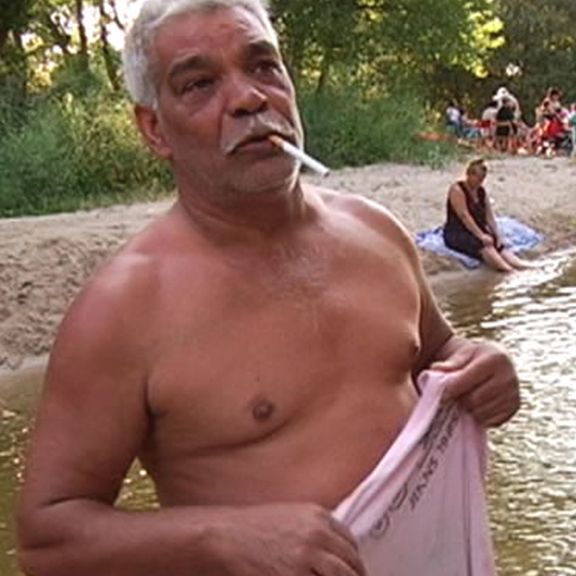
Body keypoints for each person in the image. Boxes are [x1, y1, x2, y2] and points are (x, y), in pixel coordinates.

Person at [15, 1, 521, 574]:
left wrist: (486, 367)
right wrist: (221, 537)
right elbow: (46, 538)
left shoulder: (376, 231)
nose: (248, 98)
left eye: (262, 67)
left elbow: (439, 354)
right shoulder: (125, 308)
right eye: (200, 83)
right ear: (155, 129)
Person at [443, 159, 534, 272]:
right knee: (483, 244)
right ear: (469, 175)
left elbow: (489, 216)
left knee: (496, 242)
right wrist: (481, 235)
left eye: (482, 179)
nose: (479, 182)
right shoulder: (457, 190)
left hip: (476, 228)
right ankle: (508, 270)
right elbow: (464, 216)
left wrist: (497, 235)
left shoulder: (481, 192)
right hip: (458, 231)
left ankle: (521, 265)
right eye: (478, 179)